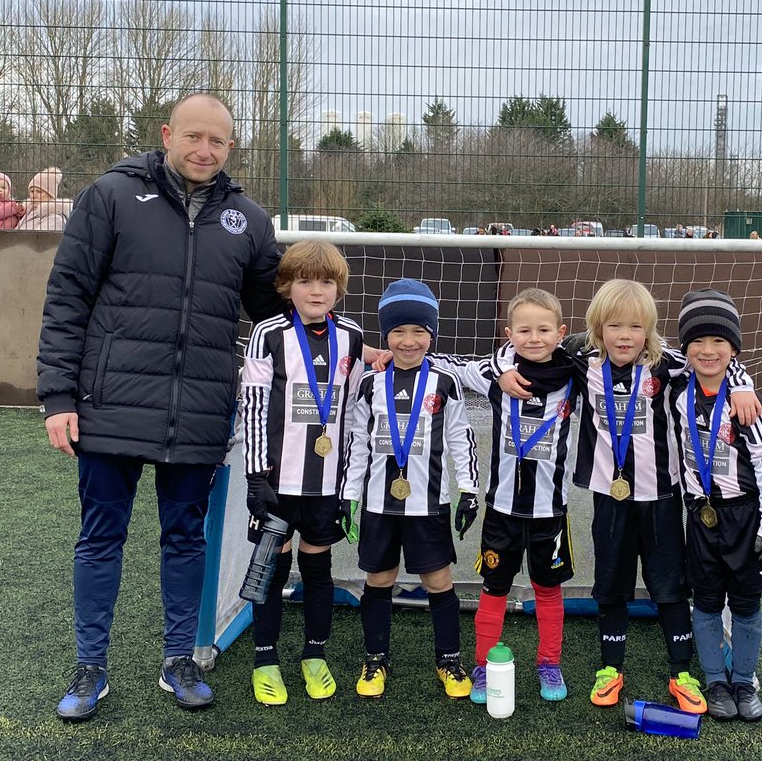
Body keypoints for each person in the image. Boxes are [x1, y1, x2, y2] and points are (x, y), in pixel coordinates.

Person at [37, 93, 285, 721]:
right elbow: (67, 298)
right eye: (194, 137)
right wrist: (58, 398)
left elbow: (278, 319)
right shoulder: (112, 196)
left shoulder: (248, 221)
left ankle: (179, 660)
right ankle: (90, 667)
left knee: (184, 538)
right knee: (100, 539)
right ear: (167, 134)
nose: (205, 151)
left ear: (232, 148)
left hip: (199, 409)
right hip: (110, 404)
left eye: (219, 142)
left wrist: (350, 347)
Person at [498, 279, 762, 715]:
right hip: (610, 498)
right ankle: (610, 669)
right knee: (611, 584)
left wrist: (742, 383)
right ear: (597, 330)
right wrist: (505, 368)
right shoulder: (582, 364)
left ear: (650, 331)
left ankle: (682, 673)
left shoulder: (668, 366)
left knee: (670, 586)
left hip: (661, 496)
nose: (624, 336)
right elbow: (528, 351)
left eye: (635, 327)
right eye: (614, 326)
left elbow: (712, 360)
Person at [238, 240, 366, 706]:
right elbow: (252, 406)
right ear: (286, 286)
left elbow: (352, 411)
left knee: (318, 569)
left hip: (326, 483)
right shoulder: (267, 333)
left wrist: (348, 481)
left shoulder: (351, 336)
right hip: (276, 481)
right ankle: (265, 659)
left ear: (339, 288)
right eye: (305, 280)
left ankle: (315, 653)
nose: (317, 290)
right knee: (271, 569)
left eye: (327, 281)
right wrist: (256, 477)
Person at [434, 288, 577, 704]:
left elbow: (615, 353)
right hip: (502, 510)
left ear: (560, 332)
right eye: (525, 330)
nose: (535, 338)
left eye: (545, 329)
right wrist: (499, 367)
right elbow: (450, 365)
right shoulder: (496, 376)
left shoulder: (575, 378)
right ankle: (482, 666)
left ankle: (549, 664)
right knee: (494, 588)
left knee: (548, 589)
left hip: (550, 511)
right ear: (508, 334)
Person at [341, 279, 480, 700]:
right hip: (379, 506)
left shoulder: (444, 383)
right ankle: (375, 659)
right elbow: (356, 444)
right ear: (385, 336)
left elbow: (460, 438)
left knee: (438, 580)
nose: (409, 340)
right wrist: (349, 495)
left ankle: (449, 660)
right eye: (399, 331)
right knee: (378, 578)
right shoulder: (368, 384)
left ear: (432, 335)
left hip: (429, 504)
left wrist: (468, 489)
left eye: (419, 331)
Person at [672, 289, 762, 722]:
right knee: (703, 601)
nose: (707, 350)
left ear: (734, 347)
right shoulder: (679, 390)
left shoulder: (750, 405)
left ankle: (744, 680)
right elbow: (646, 347)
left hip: (744, 517)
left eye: (719, 341)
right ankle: (715, 681)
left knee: (745, 604)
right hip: (701, 516)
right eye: (697, 341)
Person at [16, 167, 72, 232]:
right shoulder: (27, 211)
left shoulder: (56, 219)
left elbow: (38, 239)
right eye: (32, 191)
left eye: (39, 191)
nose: (33, 195)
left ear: (51, 195)